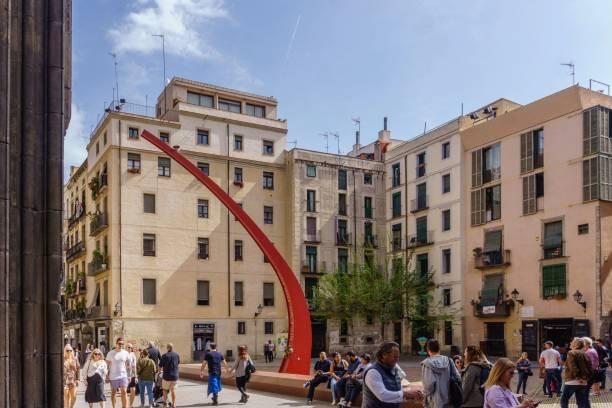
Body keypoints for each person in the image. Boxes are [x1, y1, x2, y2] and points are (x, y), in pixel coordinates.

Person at [362, 341, 422, 408]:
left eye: (398, 357)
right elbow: (383, 395)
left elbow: (396, 391)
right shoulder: (373, 372)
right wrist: (406, 394)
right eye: (395, 357)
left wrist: (411, 395)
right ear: (384, 355)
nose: (397, 360)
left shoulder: (394, 369)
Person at [421, 339, 459, 408]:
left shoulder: (427, 364)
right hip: (450, 400)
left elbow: (429, 385)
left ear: (428, 349)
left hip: (434, 403)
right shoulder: (449, 360)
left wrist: (425, 395)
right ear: (439, 348)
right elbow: (458, 377)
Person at [560, 338, 592, 408]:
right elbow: (590, 369)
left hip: (572, 380)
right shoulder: (585, 353)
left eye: (572, 342)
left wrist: (578, 377)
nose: (570, 343)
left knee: (564, 399)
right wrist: (586, 379)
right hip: (583, 381)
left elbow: (573, 367)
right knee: (581, 401)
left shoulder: (571, 352)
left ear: (576, 344)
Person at [106, 338, 130, 408]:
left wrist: (129, 376)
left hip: (123, 375)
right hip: (113, 376)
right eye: (119, 343)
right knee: (113, 393)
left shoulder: (125, 353)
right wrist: (106, 375)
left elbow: (128, 365)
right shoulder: (110, 353)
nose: (121, 345)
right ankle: (114, 406)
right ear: (116, 344)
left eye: (122, 344)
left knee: (124, 392)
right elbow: (107, 365)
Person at [159, 343, 180, 408]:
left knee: (165, 389)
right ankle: (174, 404)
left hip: (166, 376)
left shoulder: (164, 356)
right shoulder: (177, 355)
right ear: (172, 348)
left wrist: (159, 372)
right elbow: (178, 364)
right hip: (175, 376)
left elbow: (160, 366)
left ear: (167, 348)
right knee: (173, 390)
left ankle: (165, 404)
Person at [63, 344, 80, 408]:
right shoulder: (62, 359)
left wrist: (78, 378)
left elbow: (78, 368)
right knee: (66, 398)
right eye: (67, 350)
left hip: (73, 381)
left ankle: (71, 407)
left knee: (74, 397)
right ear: (65, 351)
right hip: (65, 382)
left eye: (70, 350)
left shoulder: (74, 359)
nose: (69, 352)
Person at [126, 343, 138, 408]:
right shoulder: (124, 354)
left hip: (132, 375)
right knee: (124, 391)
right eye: (128, 347)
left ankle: (131, 405)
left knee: (133, 390)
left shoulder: (133, 355)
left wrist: (136, 376)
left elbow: (134, 366)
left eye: (131, 347)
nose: (130, 349)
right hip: (124, 375)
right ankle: (126, 405)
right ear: (126, 348)